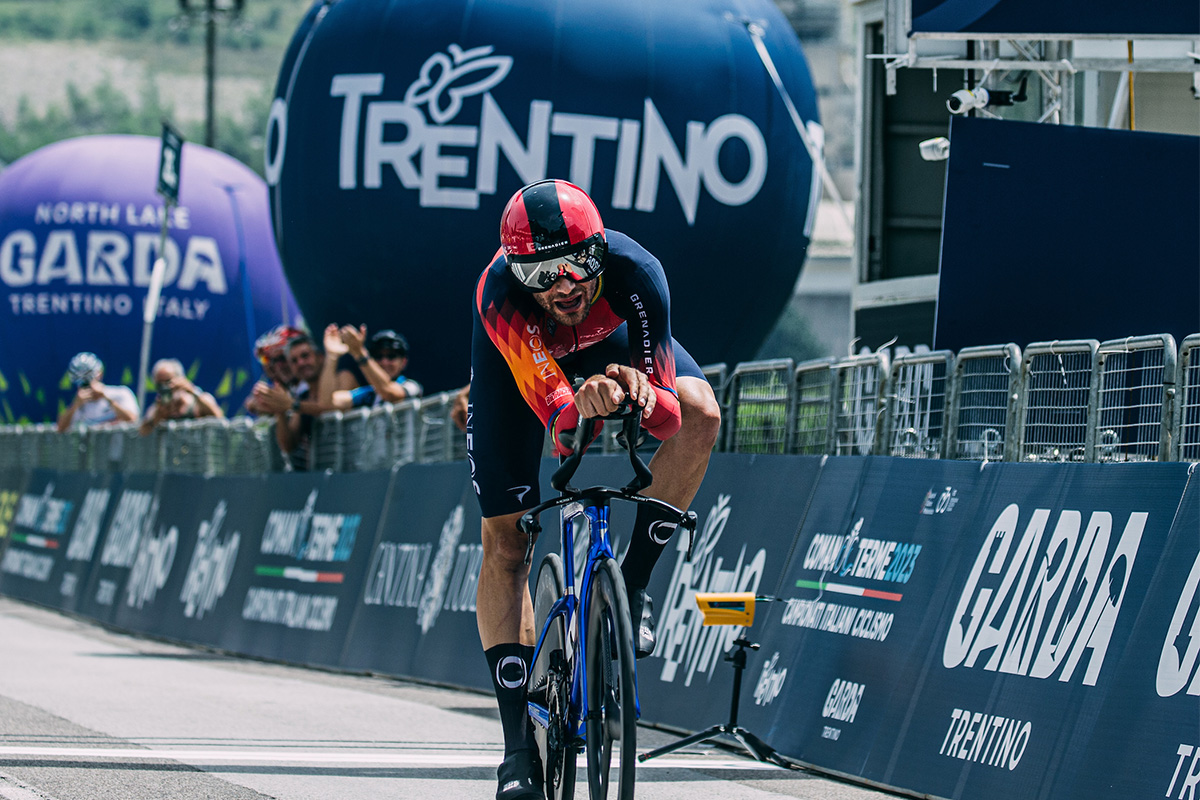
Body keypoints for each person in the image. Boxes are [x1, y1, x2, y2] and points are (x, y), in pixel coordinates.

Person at [469, 179, 721, 799]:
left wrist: (638, 391)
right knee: (506, 547)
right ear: (517, 272)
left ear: (600, 251)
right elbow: (557, 416)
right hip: (523, 374)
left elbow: (668, 418)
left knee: (704, 412)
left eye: (580, 264)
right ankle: (516, 752)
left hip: (612, 352)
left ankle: (631, 585)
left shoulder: (638, 273)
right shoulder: (500, 292)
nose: (564, 286)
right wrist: (578, 405)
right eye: (543, 274)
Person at [251, 333, 326, 470]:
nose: (277, 366)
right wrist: (279, 410)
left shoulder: (331, 380)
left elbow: (327, 406)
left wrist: (290, 405)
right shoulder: (300, 394)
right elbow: (288, 445)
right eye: (269, 360)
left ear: (319, 357)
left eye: (281, 358)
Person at [317, 324, 423, 410]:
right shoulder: (369, 394)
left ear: (403, 362)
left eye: (391, 356)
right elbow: (327, 403)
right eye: (378, 357)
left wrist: (360, 353)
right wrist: (331, 357)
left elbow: (389, 393)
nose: (384, 362)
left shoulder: (412, 386)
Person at [56, 352, 140, 432]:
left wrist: (107, 399)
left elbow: (133, 420)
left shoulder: (121, 393)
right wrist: (75, 405)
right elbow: (60, 428)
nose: (86, 383)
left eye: (89, 377)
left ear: (100, 374)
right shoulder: (80, 403)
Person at [139, 359, 224, 435]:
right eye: (159, 384)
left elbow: (219, 418)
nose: (164, 387)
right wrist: (157, 417)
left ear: (180, 379)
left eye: (168, 382)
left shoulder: (196, 399)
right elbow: (142, 432)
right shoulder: (158, 406)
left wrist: (192, 391)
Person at [244, 325, 302, 416]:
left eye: (283, 358)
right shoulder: (289, 388)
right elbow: (250, 403)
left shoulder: (311, 386)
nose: (279, 366)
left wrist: (287, 405)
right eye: (273, 361)